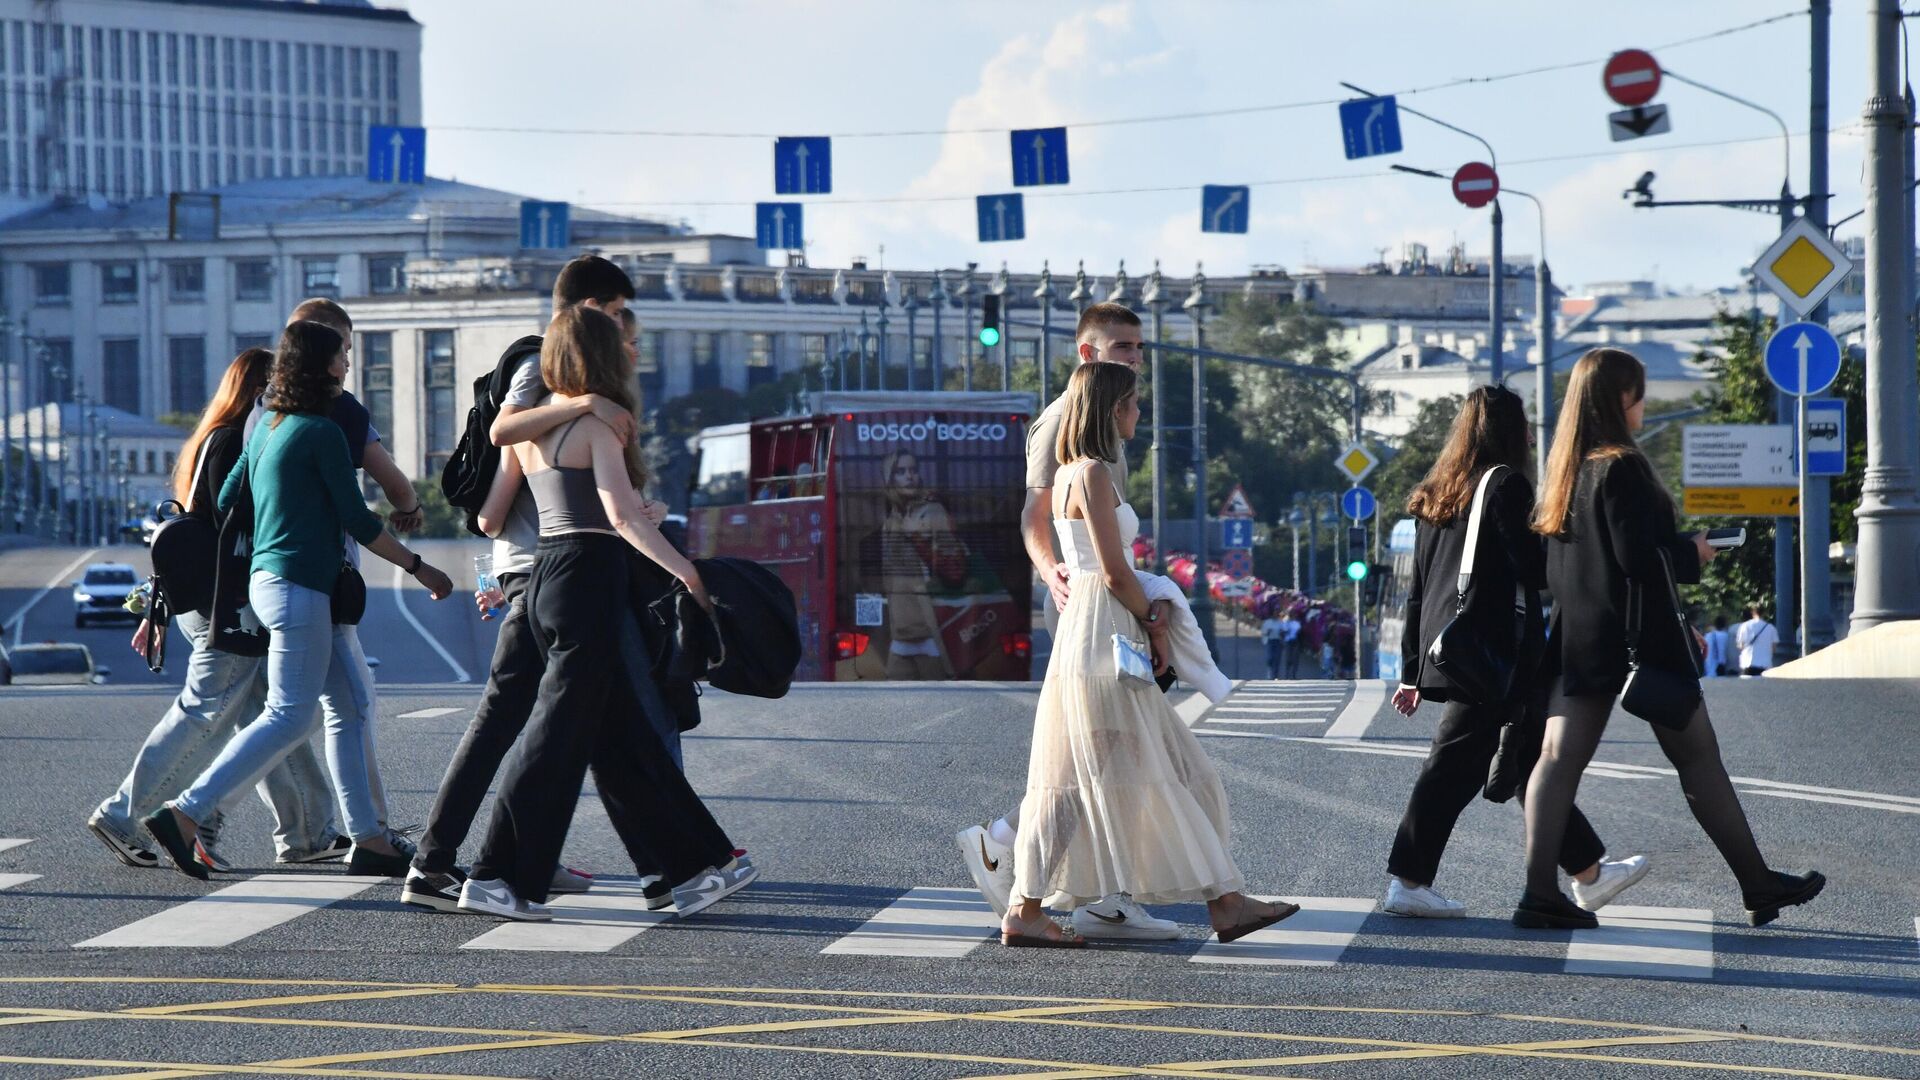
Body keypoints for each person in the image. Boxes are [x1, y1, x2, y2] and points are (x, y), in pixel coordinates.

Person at [460, 304, 751, 922]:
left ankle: (692, 869)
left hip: (548, 573)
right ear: (602, 356)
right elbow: (620, 516)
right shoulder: (597, 425)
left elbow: (499, 498)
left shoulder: (539, 429)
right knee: (553, 743)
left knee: (620, 737)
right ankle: (494, 875)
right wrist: (690, 574)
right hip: (588, 577)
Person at [1520, 347, 1824, 929]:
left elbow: (1561, 568)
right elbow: (1639, 559)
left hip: (1577, 636)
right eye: (1638, 391)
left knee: (1555, 761)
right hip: (1640, 642)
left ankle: (1539, 892)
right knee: (1700, 760)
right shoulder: (1621, 467)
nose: (1645, 402)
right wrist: (1695, 551)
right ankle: (1758, 885)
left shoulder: (1565, 471)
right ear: (1619, 399)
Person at [141, 322, 453, 882]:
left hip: (272, 582)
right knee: (288, 714)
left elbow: (233, 496)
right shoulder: (319, 433)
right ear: (321, 367)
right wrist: (419, 567)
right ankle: (185, 813)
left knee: (352, 702)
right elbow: (358, 521)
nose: (347, 367)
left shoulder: (266, 426)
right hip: (303, 588)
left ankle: (372, 840)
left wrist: (284, 514)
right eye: (341, 358)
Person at [404, 256, 668, 914]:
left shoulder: (565, 383)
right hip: (554, 564)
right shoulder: (543, 369)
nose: (619, 332)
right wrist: (587, 405)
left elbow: (496, 502)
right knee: (605, 721)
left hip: (536, 565)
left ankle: (450, 861)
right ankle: (670, 864)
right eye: (612, 316)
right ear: (586, 309)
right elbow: (505, 433)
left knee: (539, 723)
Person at [1000, 361, 1296, 946]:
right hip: (1105, 626)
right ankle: (1225, 904)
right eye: (1134, 403)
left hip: (1087, 631)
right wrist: (1154, 618)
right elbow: (1114, 573)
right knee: (1179, 770)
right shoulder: (1093, 475)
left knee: (1073, 777)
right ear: (1113, 409)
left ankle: (1027, 909)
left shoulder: (1067, 474)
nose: (1140, 414)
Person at [956, 303, 1183, 935]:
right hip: (1084, 606)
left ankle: (1099, 888)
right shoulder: (1065, 420)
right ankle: (1006, 844)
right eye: (1123, 348)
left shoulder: (1112, 420)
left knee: (1112, 750)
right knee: (1095, 747)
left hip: (1108, 600)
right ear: (1088, 354)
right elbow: (1034, 515)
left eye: (1139, 347)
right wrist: (1049, 568)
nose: (1136, 358)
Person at [1384, 385, 1646, 919]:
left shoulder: (1437, 491)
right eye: (1524, 424)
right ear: (1506, 431)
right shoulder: (1504, 486)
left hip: (1449, 649)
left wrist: (1412, 669)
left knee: (1526, 760)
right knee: (1454, 766)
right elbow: (1533, 572)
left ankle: (1588, 873)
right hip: (1494, 654)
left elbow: (1418, 590)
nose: (1530, 434)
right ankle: (1409, 881)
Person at [88, 349, 343, 873]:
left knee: (273, 713)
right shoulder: (234, 441)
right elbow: (232, 529)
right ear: (259, 391)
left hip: (220, 600)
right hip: (227, 603)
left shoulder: (216, 438)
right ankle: (122, 815)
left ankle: (309, 831)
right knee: (206, 713)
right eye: (275, 388)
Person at [879, 450, 962, 680]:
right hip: (900, 635)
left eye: (913, 470)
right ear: (890, 478)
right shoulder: (892, 520)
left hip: (931, 636)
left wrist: (916, 536)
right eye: (901, 471)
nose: (909, 476)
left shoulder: (933, 512)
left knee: (943, 708)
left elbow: (954, 569)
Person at [1735, 605, 1778, 677]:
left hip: (1747, 663)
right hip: (1765, 664)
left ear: (1752, 613)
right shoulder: (1771, 628)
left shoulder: (1745, 626)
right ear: (1764, 613)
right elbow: (1773, 648)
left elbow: (1741, 646)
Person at [1259, 610, 1286, 680]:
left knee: (1277, 659)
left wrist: (1282, 633)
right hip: (1270, 641)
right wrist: (1268, 632)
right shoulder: (1267, 622)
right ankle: (1269, 672)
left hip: (1278, 641)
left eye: (1277, 614)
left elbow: (1284, 632)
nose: (1276, 615)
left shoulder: (1281, 622)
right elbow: (1263, 632)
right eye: (1274, 614)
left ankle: (1275, 675)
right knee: (1270, 658)